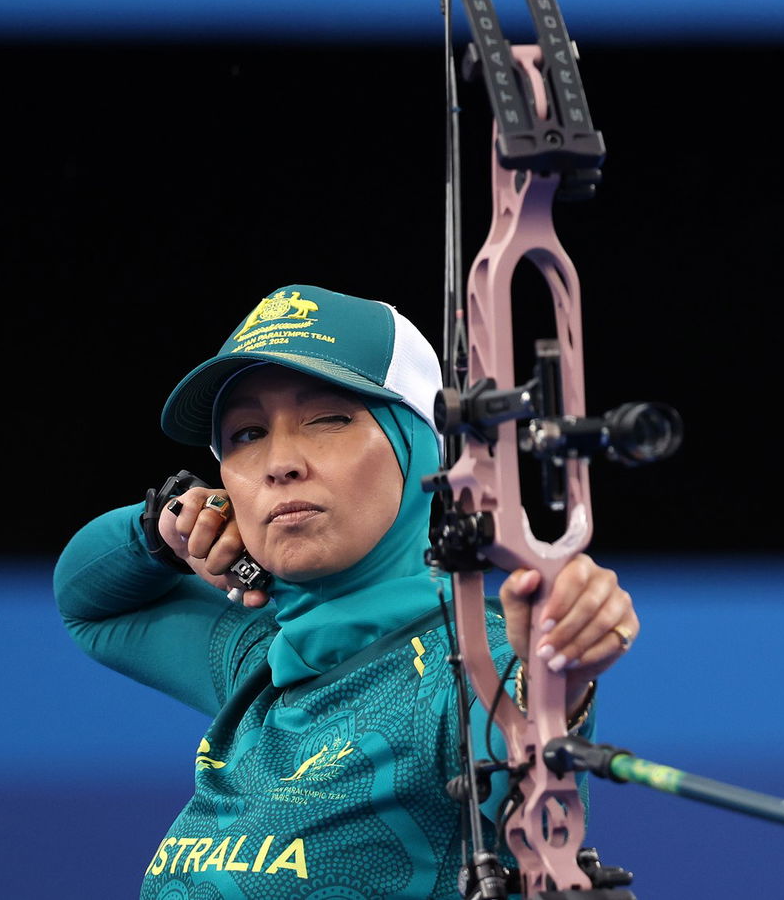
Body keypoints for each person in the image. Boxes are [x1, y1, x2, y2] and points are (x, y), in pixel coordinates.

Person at [54, 284, 638, 898]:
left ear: (419, 449)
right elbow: (88, 604)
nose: (280, 462)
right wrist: (161, 529)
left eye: (328, 419)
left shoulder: (471, 656)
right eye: (247, 434)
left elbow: (523, 724)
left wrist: (559, 666)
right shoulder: (260, 659)